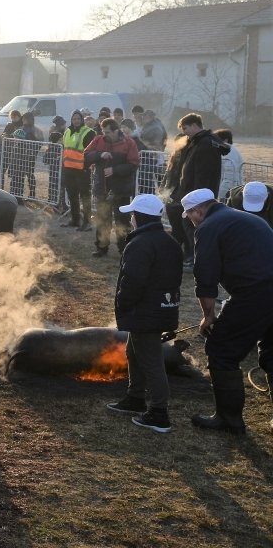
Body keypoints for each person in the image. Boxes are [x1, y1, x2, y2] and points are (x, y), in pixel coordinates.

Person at [182, 188, 273, 435]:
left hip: (256, 293)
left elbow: (206, 278)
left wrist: (208, 315)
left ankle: (229, 419)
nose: (190, 221)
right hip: (263, 288)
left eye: (189, 216)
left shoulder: (208, 227)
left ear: (197, 211)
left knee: (221, 350)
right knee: (271, 352)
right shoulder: (246, 218)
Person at [104, 193, 181, 433]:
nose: (131, 219)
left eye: (133, 215)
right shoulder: (170, 242)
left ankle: (159, 414)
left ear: (138, 216)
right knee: (133, 352)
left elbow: (133, 281)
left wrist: (124, 304)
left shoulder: (139, 244)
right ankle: (135, 397)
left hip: (144, 311)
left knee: (151, 361)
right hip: (162, 308)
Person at [162, 113, 228, 269]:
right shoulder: (197, 143)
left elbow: (202, 174)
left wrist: (198, 200)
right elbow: (182, 170)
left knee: (192, 227)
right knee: (184, 226)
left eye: (185, 128)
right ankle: (187, 254)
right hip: (187, 194)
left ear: (193, 125)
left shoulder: (205, 144)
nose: (184, 132)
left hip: (196, 197)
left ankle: (194, 257)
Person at [84, 118, 139, 258]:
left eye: (107, 131)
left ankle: (124, 249)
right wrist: (99, 155)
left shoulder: (129, 143)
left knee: (122, 220)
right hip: (102, 187)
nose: (104, 134)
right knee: (103, 219)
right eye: (103, 131)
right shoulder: (98, 140)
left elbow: (133, 164)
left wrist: (115, 170)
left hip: (121, 189)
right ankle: (101, 248)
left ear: (116, 131)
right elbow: (85, 155)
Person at [60, 111, 95, 232]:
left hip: (82, 170)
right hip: (69, 169)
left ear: (82, 120)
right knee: (72, 196)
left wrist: (86, 166)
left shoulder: (89, 132)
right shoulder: (68, 131)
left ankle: (87, 222)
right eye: (74, 118)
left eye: (78, 118)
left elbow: (91, 152)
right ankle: (75, 220)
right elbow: (66, 149)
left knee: (85, 196)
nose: (76, 121)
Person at [215, 129, 242, 200]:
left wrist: (220, 194)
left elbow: (229, 177)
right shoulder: (231, 151)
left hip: (230, 191)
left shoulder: (228, 154)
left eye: (217, 140)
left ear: (226, 140)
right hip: (234, 189)